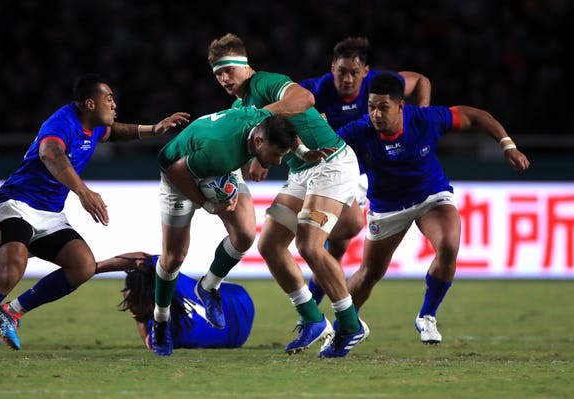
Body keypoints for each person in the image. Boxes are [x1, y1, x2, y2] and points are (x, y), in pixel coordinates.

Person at [0, 73, 190, 361]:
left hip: (50, 215)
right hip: (17, 204)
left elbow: (115, 131)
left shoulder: (94, 125)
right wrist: (83, 192)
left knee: (82, 266)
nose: (114, 103)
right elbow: (50, 154)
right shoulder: (62, 123)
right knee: (10, 270)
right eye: (108, 98)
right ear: (89, 104)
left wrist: (152, 129)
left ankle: (11, 311)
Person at [336, 72, 530, 344]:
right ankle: (342, 326)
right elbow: (328, 149)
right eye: (371, 107)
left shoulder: (425, 119)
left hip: (431, 197)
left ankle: (426, 316)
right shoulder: (358, 131)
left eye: (383, 107)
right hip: (387, 207)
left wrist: (507, 145)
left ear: (400, 105)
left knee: (449, 245)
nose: (376, 114)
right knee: (369, 274)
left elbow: (474, 115)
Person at [208, 33, 368, 358]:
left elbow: (305, 99)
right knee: (268, 243)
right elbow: (243, 146)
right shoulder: (239, 108)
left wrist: (261, 115)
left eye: (228, 69)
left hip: (330, 162)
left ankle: (351, 325)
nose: (224, 77)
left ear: (245, 66)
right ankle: (311, 318)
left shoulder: (268, 83)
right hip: (301, 172)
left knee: (309, 244)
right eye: (217, 73)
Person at [152, 106, 302, 356]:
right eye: (276, 154)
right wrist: (209, 204)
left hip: (217, 169)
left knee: (245, 235)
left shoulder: (265, 122)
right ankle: (161, 320)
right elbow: (176, 169)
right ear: (258, 140)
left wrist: (304, 150)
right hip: (178, 175)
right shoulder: (221, 150)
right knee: (173, 257)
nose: (277, 162)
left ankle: (208, 287)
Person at [299, 36, 432, 304]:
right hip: (330, 172)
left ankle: (312, 311)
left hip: (363, 173)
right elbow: (284, 110)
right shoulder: (315, 90)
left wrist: (418, 119)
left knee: (335, 248)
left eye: (354, 73)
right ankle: (314, 311)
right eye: (341, 72)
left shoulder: (378, 86)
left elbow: (420, 81)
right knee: (337, 240)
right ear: (331, 68)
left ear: (366, 72)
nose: (347, 79)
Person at [95, 251, 254, 349]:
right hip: (239, 296)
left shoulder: (167, 330)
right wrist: (96, 267)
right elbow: (140, 258)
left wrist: (139, 317)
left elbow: (149, 342)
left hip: (236, 336)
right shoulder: (169, 276)